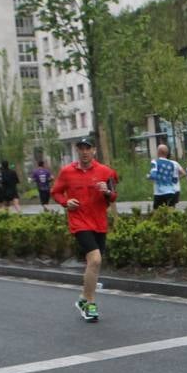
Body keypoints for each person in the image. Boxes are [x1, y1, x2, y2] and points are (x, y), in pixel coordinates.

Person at [51, 136, 118, 323]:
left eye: (88, 148)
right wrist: (66, 202)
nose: (84, 152)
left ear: (94, 150)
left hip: (99, 222)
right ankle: (90, 303)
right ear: (77, 151)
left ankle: (83, 298)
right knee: (95, 259)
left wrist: (107, 192)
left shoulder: (106, 171)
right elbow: (55, 192)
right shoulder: (67, 172)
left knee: (94, 264)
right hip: (79, 221)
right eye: (81, 148)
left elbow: (113, 195)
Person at [148, 145, 184, 210]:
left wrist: (148, 176)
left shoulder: (155, 162)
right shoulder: (172, 164)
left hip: (159, 193)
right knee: (171, 212)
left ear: (158, 152)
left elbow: (153, 176)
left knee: (157, 212)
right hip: (171, 192)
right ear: (167, 153)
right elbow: (174, 178)